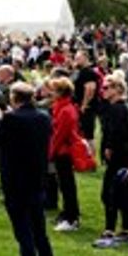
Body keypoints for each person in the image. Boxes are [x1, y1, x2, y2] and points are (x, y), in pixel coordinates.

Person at [0, 82, 59, 256]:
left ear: (14, 98)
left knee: (24, 234)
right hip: (37, 179)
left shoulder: (12, 119)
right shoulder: (43, 117)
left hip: (16, 182)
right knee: (40, 233)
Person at [90, 75, 128, 247]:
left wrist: (110, 147)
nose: (103, 91)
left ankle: (111, 229)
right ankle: (123, 228)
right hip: (125, 156)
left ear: (118, 89)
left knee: (110, 193)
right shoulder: (118, 107)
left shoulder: (117, 109)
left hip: (119, 156)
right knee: (120, 191)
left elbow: (117, 132)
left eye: (107, 87)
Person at [46, 74, 88, 232]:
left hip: (63, 152)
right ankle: (68, 214)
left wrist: (50, 153)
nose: (51, 93)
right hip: (62, 150)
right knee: (65, 184)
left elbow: (60, 135)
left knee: (67, 185)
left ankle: (71, 218)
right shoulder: (64, 107)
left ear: (60, 92)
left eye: (53, 90)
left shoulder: (65, 110)